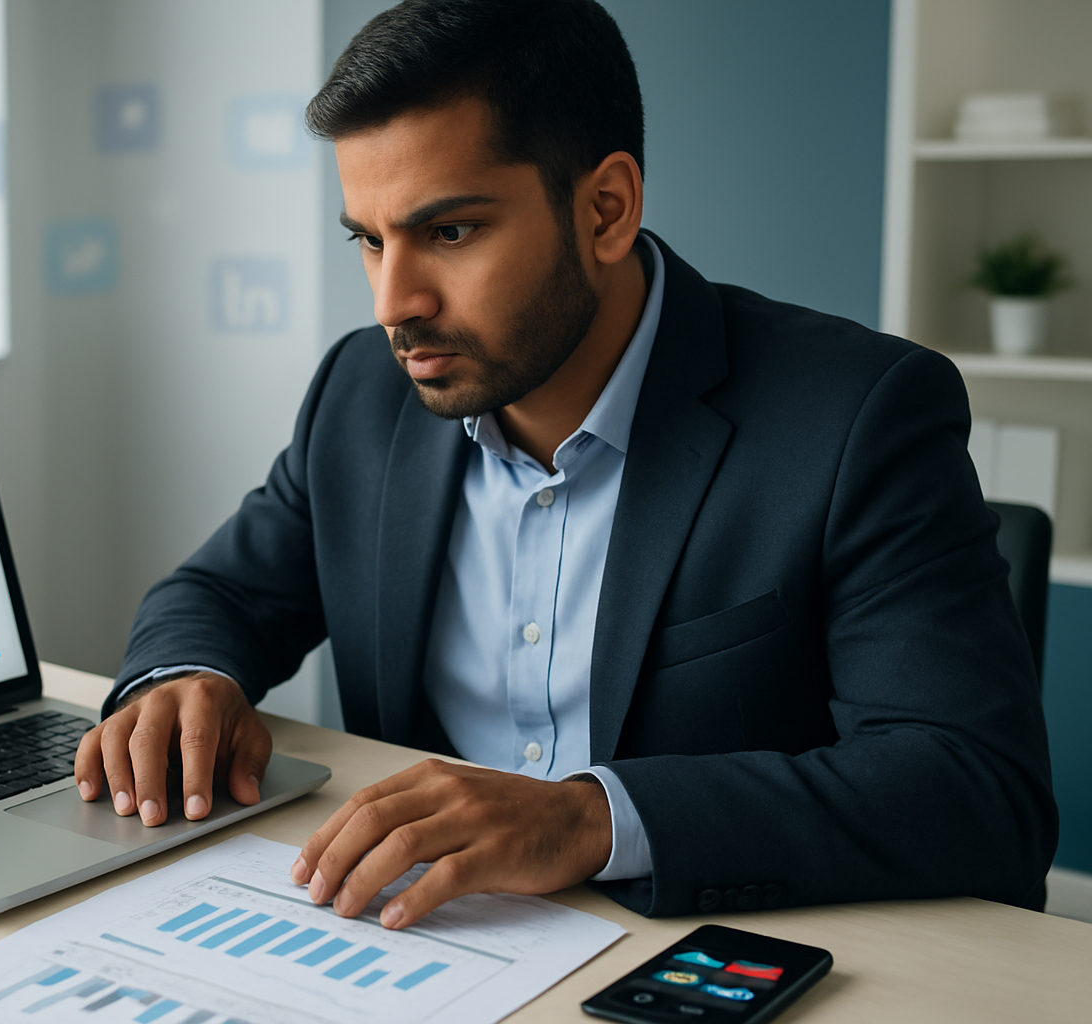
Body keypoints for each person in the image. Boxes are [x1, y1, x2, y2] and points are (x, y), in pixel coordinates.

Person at [73, 0, 1057, 924]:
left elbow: (977, 790)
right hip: (423, 950)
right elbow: (220, 594)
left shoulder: (856, 416)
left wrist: (590, 817)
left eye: (448, 231)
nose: (392, 300)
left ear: (606, 210)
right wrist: (184, 676)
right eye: (369, 240)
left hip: (695, 962)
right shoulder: (361, 398)